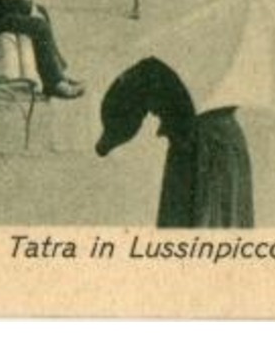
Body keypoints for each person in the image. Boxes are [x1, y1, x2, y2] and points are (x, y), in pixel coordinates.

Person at [96, 57, 252, 227]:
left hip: (203, 147)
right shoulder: (222, 59)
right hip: (214, 144)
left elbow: (125, 105)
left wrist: (108, 140)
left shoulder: (166, 61)